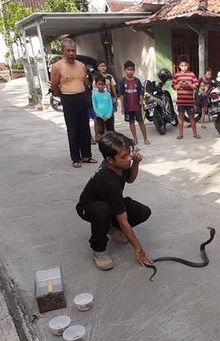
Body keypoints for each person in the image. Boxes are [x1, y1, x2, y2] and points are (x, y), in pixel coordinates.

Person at [76, 132, 152, 271]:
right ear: (110, 160)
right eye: (124, 157)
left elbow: (130, 179)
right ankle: (98, 250)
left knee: (143, 212)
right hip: (88, 207)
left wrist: (135, 163)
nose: (128, 158)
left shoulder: (119, 164)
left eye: (129, 153)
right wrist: (138, 249)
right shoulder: (108, 182)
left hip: (109, 201)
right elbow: (124, 222)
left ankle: (111, 227)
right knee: (102, 212)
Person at [50, 38, 96, 168]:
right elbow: (54, 86)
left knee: (85, 127)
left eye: (73, 50)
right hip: (68, 99)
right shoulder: (57, 66)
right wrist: (63, 96)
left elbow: (85, 82)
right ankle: (76, 157)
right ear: (63, 51)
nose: (71, 53)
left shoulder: (81, 65)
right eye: (68, 50)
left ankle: (87, 155)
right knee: (73, 128)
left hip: (81, 97)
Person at [117, 60, 150, 145]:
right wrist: (123, 107)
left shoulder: (137, 81)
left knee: (141, 122)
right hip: (128, 106)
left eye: (131, 69)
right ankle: (135, 138)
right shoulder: (122, 82)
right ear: (125, 70)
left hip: (137, 106)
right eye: (128, 69)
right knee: (131, 122)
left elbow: (140, 94)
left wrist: (142, 105)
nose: (130, 71)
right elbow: (121, 95)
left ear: (134, 70)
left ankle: (145, 138)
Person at [171, 55, 200, 140]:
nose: (184, 67)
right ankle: (180, 134)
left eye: (185, 65)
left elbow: (196, 86)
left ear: (188, 65)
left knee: (192, 118)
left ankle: (195, 134)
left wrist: (189, 84)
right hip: (181, 102)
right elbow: (174, 87)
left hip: (190, 101)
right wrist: (180, 85)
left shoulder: (192, 74)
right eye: (182, 66)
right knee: (181, 118)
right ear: (179, 66)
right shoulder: (177, 75)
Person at [92, 75, 115, 141]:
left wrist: (108, 115)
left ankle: (112, 144)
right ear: (96, 85)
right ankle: (103, 144)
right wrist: (101, 115)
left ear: (105, 84)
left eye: (102, 84)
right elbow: (95, 106)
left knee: (111, 131)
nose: (101, 86)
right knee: (101, 131)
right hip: (99, 116)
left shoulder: (108, 94)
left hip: (109, 115)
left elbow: (111, 105)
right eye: (99, 84)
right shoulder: (94, 94)